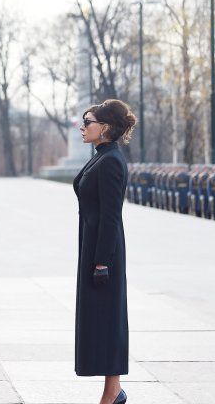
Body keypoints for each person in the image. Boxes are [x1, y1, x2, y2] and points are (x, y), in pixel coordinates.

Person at [73, 99, 137, 404]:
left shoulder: (111, 160)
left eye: (88, 121)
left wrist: (101, 262)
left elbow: (112, 215)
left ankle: (113, 392)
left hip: (103, 251)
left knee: (109, 319)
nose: (83, 127)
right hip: (94, 245)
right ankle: (113, 389)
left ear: (106, 128)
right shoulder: (102, 155)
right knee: (102, 319)